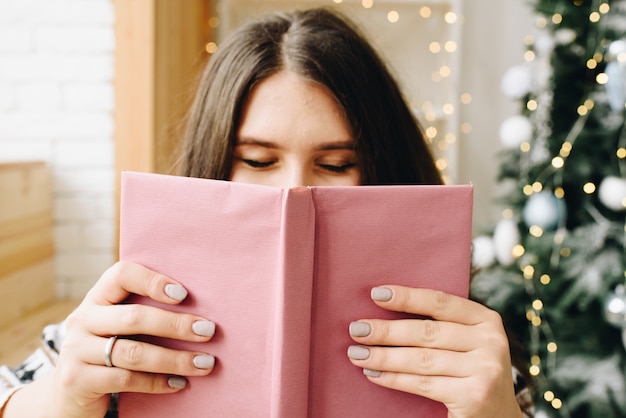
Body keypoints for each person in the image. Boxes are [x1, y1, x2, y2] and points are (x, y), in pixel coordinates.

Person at [0, 7, 533, 418]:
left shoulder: (469, 340)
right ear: (213, 166)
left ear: (383, 169)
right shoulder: (131, 318)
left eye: (336, 163)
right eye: (257, 160)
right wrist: (60, 401)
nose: (294, 191)